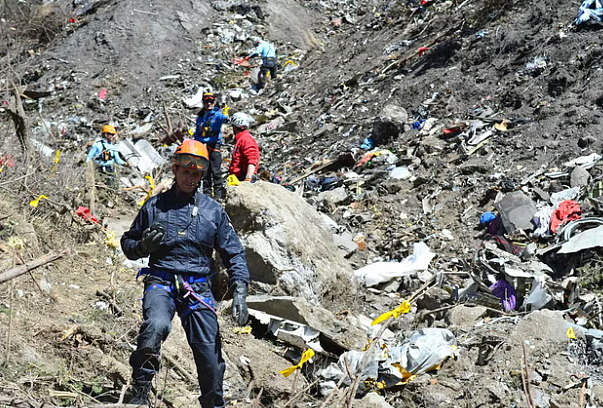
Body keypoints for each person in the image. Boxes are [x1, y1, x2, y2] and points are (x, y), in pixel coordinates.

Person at [121, 139, 250, 408]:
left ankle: (213, 404)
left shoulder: (213, 212)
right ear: (175, 170)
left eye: (195, 173)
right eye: (185, 171)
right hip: (161, 282)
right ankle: (141, 392)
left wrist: (240, 287)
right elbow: (128, 244)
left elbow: (234, 253)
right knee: (155, 326)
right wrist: (143, 245)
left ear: (201, 175)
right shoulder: (154, 206)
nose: (190, 178)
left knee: (209, 353)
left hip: (198, 288)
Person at [193, 93, 229, 200]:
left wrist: (226, 115)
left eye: (211, 101)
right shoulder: (200, 116)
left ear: (214, 103)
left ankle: (218, 195)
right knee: (205, 171)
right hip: (202, 146)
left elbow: (225, 119)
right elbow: (197, 131)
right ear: (203, 102)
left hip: (214, 145)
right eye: (206, 101)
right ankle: (207, 195)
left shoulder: (217, 115)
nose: (209, 103)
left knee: (216, 170)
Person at [228, 112, 260, 182]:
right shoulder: (241, 138)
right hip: (238, 177)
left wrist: (248, 178)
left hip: (243, 177)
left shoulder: (245, 139)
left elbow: (252, 158)